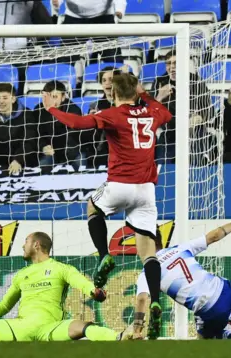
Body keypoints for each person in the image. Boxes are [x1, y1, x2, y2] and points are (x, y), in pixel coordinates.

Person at [44, 73, 173, 339]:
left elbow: (78, 123)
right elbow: (166, 115)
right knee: (148, 251)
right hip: (147, 191)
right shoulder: (153, 112)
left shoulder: (113, 114)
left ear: (113, 93)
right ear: (137, 91)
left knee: (93, 206)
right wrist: (145, 96)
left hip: (119, 185)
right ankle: (156, 298)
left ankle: (104, 253)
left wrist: (52, 108)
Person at [0, 232, 119, 343]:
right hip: (20, 326)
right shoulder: (22, 275)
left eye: (27, 241)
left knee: (82, 326)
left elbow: (81, 282)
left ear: (37, 245)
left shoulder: (61, 268)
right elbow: (3, 307)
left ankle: (119, 338)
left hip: (50, 327)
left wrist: (93, 291)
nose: (23, 245)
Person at [128, 212, 231, 340]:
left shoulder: (147, 272)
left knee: (203, 340)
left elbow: (142, 299)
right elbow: (214, 236)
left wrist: (136, 331)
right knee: (210, 297)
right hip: (226, 291)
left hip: (210, 310)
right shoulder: (180, 248)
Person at [0, 83, 33, 175]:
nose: (1, 101)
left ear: (13, 99)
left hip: (21, 162)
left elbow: (29, 142)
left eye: (5, 98)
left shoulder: (27, 114)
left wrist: (18, 160)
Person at [27, 81, 83, 169]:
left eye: (55, 97)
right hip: (48, 151)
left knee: (81, 161)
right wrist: (43, 147)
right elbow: (35, 134)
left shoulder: (74, 110)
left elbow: (75, 138)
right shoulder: (38, 110)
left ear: (63, 97)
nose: (51, 101)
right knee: (44, 163)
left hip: (71, 151)